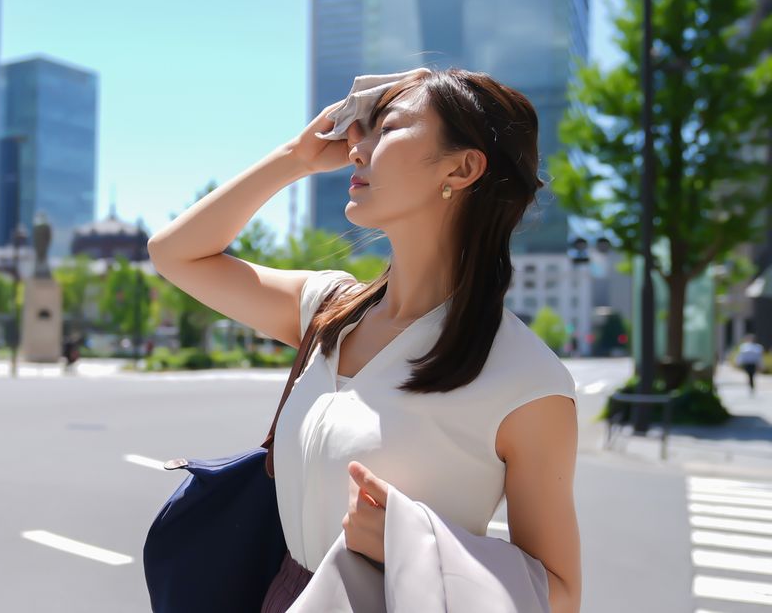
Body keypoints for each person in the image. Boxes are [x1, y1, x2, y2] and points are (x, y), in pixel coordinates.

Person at [148, 68, 580, 612]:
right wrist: (296, 158)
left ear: (463, 167)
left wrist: (412, 546)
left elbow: (560, 593)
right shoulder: (330, 310)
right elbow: (174, 253)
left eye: (389, 129)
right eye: (363, 133)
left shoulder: (526, 382)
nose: (356, 150)